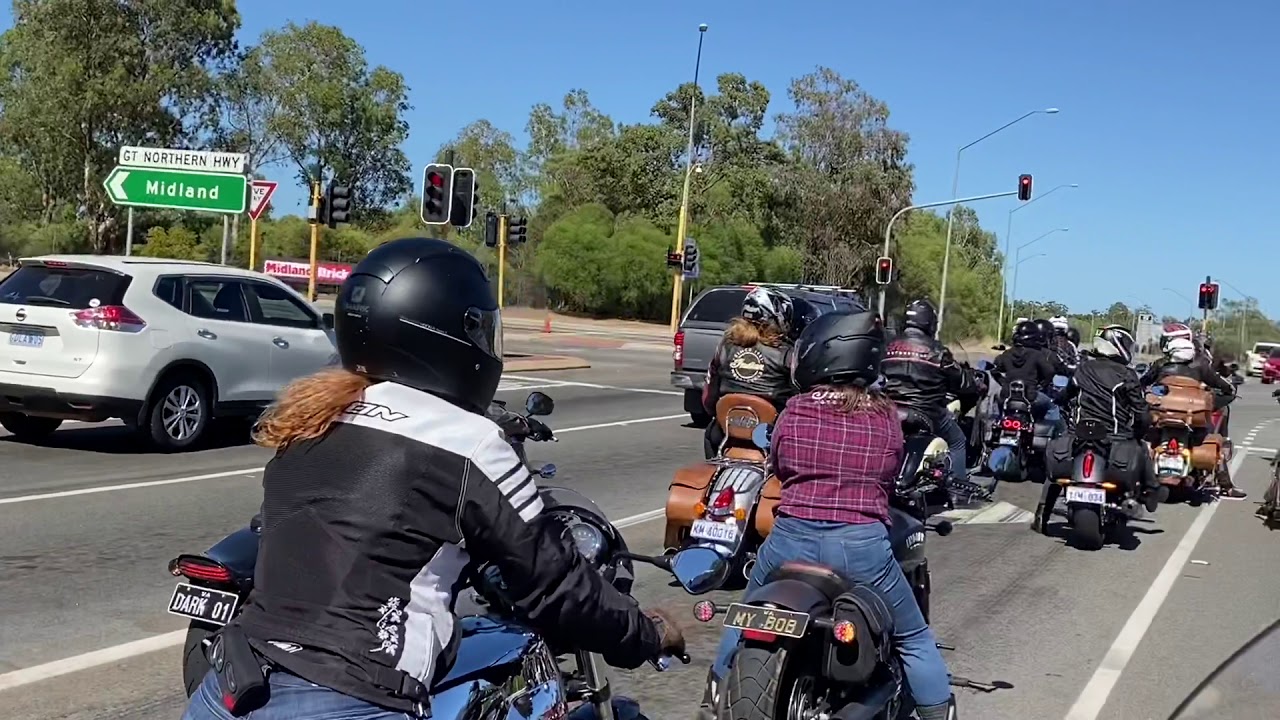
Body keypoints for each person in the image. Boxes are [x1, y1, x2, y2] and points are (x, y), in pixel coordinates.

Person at [182, 238, 683, 720]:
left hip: (229, 688)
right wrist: (644, 633)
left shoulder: (313, 416)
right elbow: (556, 586)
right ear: (447, 335)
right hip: (349, 698)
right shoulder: (471, 441)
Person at [704, 310, 958, 720]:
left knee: (743, 618)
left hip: (788, 541)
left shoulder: (794, 410)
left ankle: (714, 698)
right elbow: (891, 469)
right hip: (861, 548)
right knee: (913, 638)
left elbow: (781, 466)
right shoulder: (884, 416)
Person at [1034, 325, 1160, 532]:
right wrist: (1140, 430)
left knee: (1054, 472)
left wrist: (1061, 402)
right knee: (1143, 449)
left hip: (1079, 435)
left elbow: (1065, 396)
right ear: (1118, 346)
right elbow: (1141, 412)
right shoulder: (1127, 375)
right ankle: (1151, 492)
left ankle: (1041, 514)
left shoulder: (1083, 369)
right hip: (1116, 436)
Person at [701, 286, 804, 459]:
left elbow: (708, 398)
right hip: (767, 437)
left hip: (726, 433)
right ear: (777, 316)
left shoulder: (725, 347)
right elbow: (799, 401)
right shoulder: (788, 354)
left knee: (710, 435)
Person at [1139, 336, 1246, 499]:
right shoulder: (1200, 366)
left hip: (1162, 417)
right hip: (1192, 420)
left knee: (1140, 435)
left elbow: (1142, 384)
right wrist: (1210, 404)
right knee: (1213, 441)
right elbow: (1225, 387)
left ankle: (1139, 479)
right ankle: (1227, 487)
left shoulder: (1160, 365)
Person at [883, 298, 975, 484]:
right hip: (926, 412)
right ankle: (957, 489)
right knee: (957, 441)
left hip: (889, 409)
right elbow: (962, 383)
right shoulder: (937, 351)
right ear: (930, 323)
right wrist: (973, 381)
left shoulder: (888, 346)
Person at [990, 320, 1059, 426]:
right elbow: (1050, 372)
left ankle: (995, 423)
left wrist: (1003, 383)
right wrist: (1041, 385)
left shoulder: (1007, 353)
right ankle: (1050, 437)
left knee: (993, 402)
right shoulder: (1037, 354)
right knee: (1053, 407)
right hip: (1031, 396)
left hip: (1007, 395)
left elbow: (994, 369)